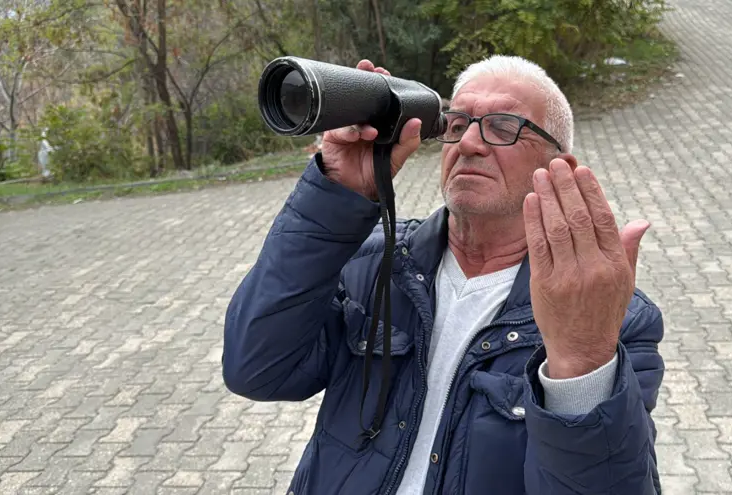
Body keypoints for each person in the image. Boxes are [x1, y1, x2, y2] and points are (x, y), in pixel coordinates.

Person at [222, 54, 665, 495]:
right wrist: (335, 197)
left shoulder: (612, 318)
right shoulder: (374, 264)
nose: (469, 143)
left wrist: (582, 358)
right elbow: (257, 369)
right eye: (457, 124)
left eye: (503, 126)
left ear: (559, 168)